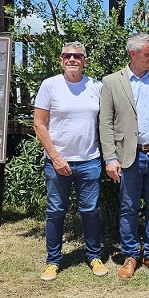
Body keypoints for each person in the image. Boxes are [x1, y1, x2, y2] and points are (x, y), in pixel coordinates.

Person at [99, 33, 149, 279]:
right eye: (148, 54)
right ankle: (130, 255)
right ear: (133, 54)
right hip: (127, 157)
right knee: (129, 207)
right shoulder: (112, 82)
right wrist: (110, 158)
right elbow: (106, 122)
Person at [34, 42, 106, 281]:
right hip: (57, 162)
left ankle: (94, 256)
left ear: (85, 60)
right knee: (55, 212)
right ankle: (53, 261)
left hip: (89, 161)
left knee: (91, 211)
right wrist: (55, 157)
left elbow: (107, 121)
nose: (72, 59)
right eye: (67, 55)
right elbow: (39, 124)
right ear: (61, 59)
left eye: (77, 56)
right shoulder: (50, 85)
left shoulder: (96, 86)